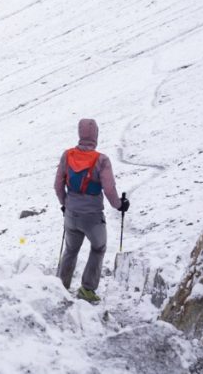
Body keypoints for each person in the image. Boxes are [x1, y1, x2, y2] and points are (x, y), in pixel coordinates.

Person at [54, 118, 129, 303]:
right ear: (95, 134)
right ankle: (87, 290)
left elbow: (58, 185)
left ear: (80, 133)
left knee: (71, 249)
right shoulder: (101, 160)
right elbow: (109, 189)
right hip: (93, 217)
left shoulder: (67, 155)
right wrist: (119, 205)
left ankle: (60, 286)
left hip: (71, 213)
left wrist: (64, 204)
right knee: (98, 247)